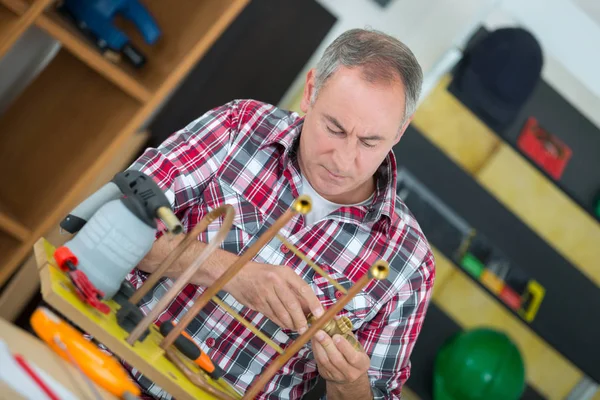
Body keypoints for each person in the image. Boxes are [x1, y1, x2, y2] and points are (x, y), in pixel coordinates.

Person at [125, 28, 435, 400]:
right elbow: (117, 223)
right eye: (334, 128)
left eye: (370, 142)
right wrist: (229, 273)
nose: (343, 159)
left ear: (400, 130)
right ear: (310, 92)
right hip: (109, 360)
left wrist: (347, 382)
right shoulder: (239, 127)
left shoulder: (409, 262)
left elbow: (377, 393)